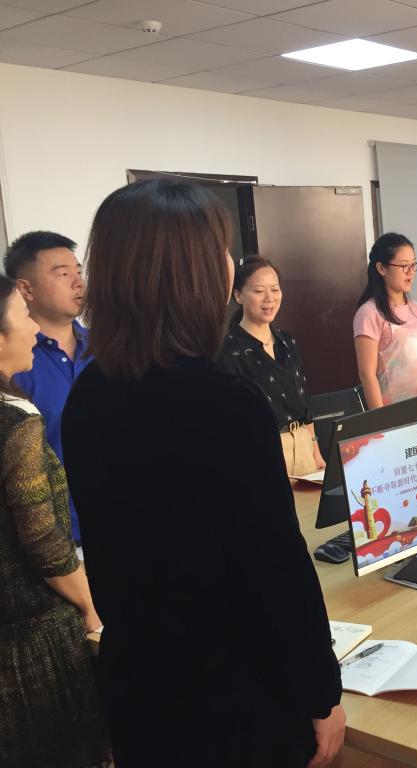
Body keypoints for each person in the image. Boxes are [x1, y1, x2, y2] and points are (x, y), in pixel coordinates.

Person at [61, 180, 345, 768]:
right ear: (191, 274)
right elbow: (276, 567)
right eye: (221, 251)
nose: (229, 264)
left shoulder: (89, 393)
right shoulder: (226, 402)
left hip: (142, 678)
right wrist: (322, 690)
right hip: (234, 693)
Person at [0, 276, 108, 768]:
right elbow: (42, 537)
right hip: (33, 635)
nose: (31, 328)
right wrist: (89, 606)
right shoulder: (16, 422)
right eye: (22, 317)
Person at [4, 231, 90, 543]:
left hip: (118, 523)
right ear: (25, 288)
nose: (78, 283)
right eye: (63, 274)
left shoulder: (109, 350)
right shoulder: (14, 365)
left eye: (78, 272)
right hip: (51, 539)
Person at [218, 256, 325, 476]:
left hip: (303, 445)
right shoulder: (228, 350)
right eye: (259, 291)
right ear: (238, 295)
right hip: (263, 452)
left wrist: (315, 451)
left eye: (275, 290)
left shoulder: (287, 341)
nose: (269, 298)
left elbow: (304, 403)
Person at [353, 233, 417, 413]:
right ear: (381, 268)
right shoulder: (369, 313)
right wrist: (381, 420)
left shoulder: (416, 308)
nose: (411, 271)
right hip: (399, 414)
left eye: (413, 265)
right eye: (404, 266)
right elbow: (367, 375)